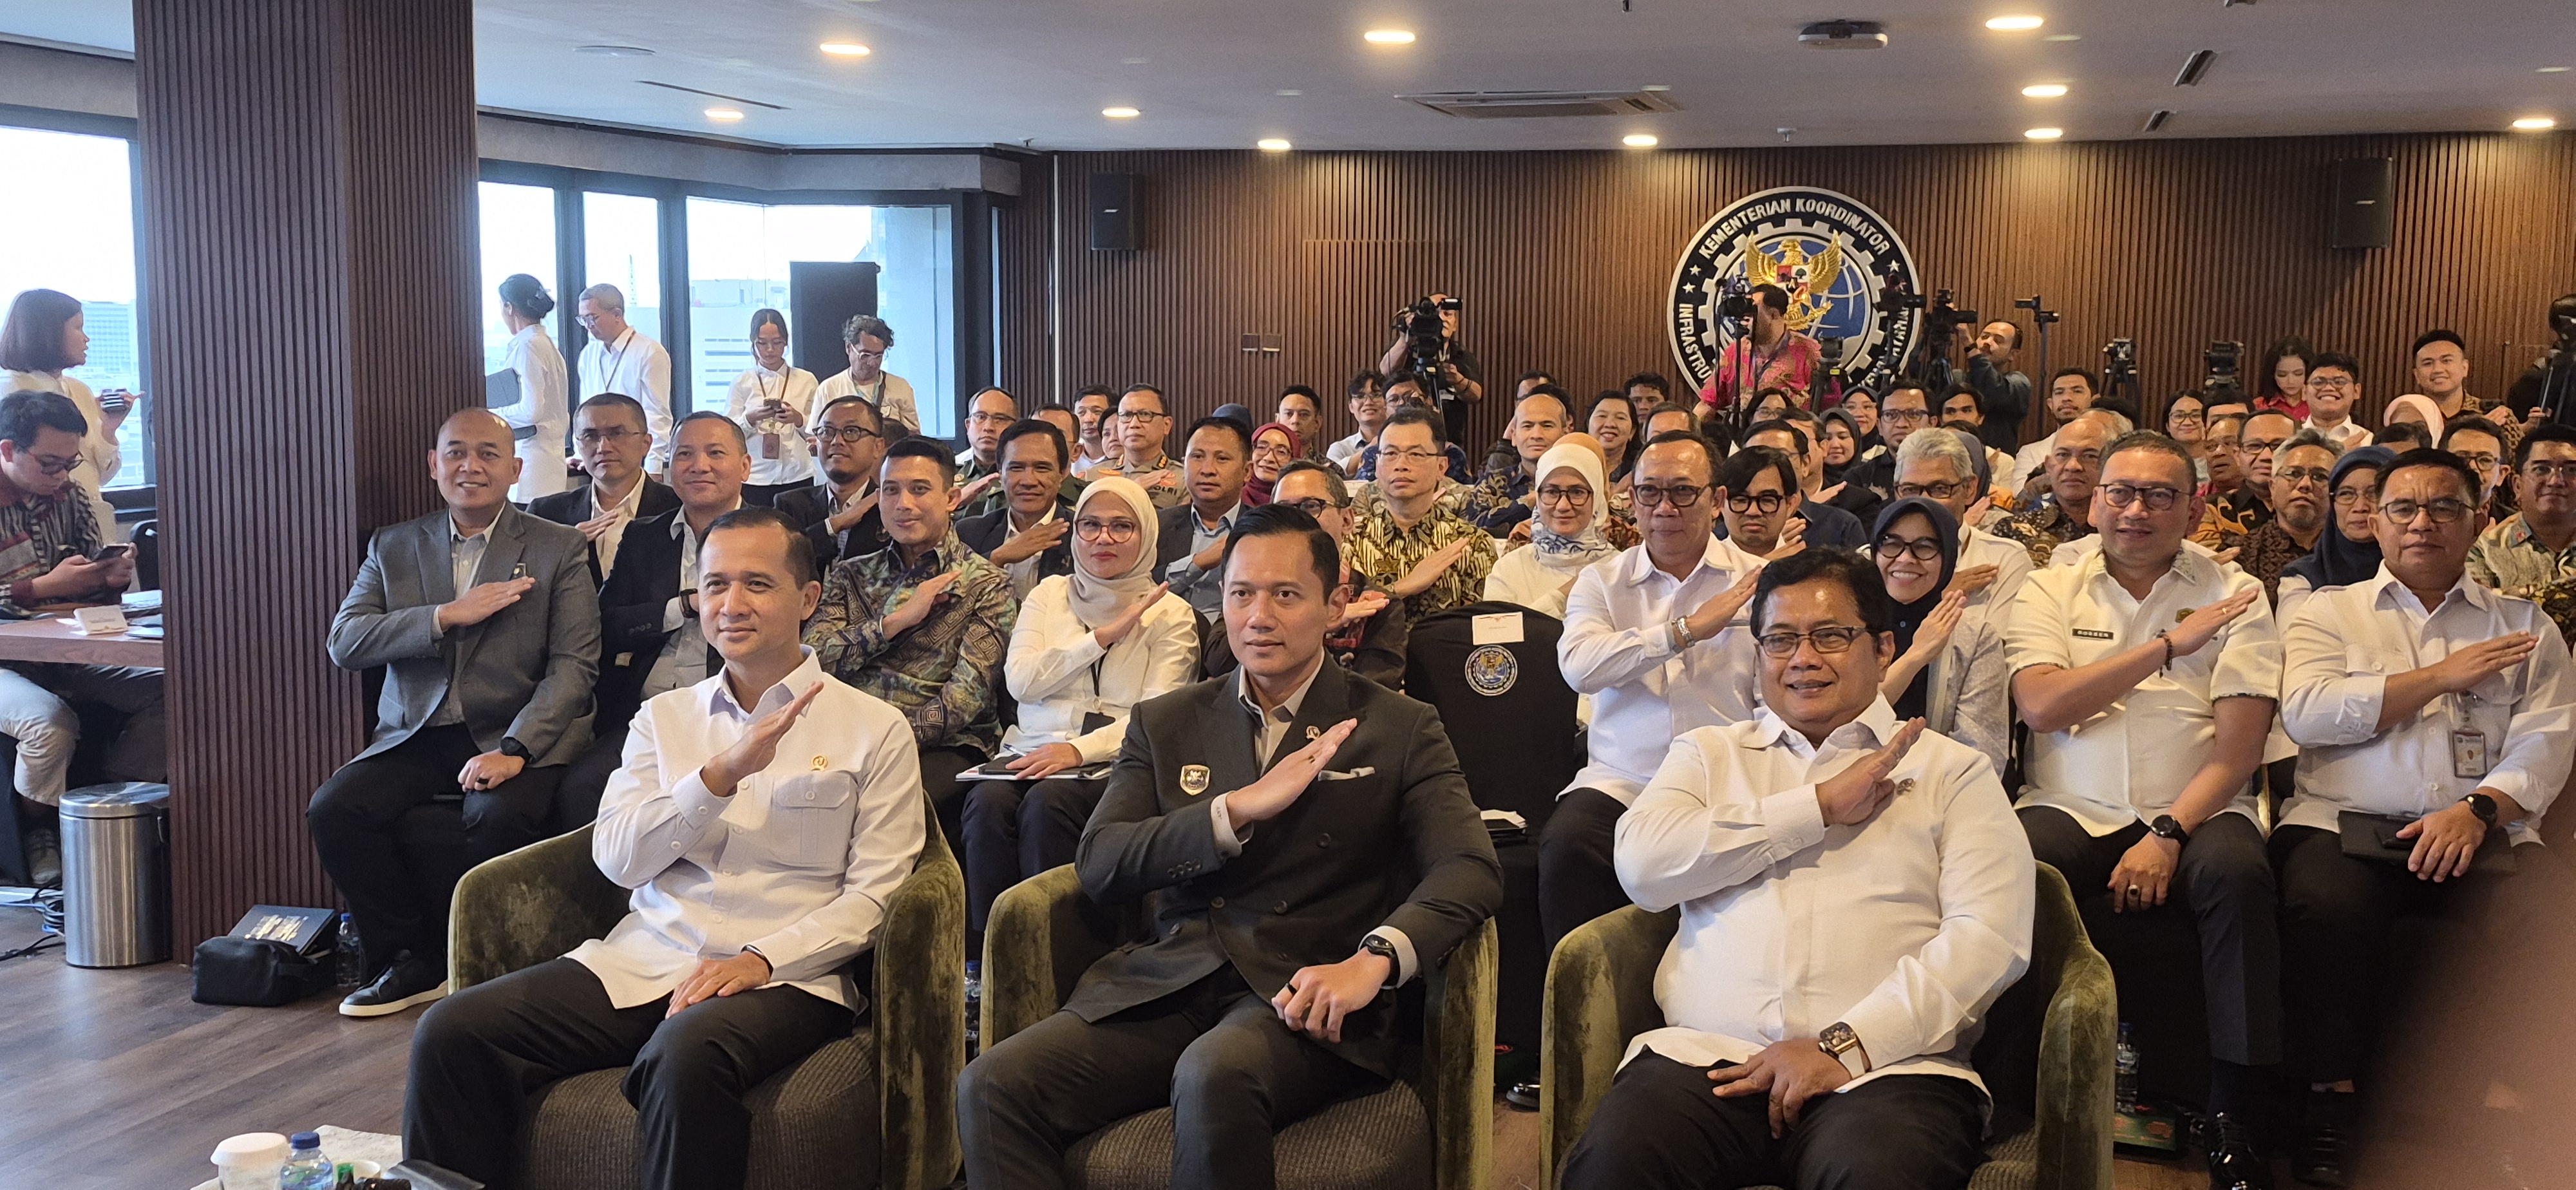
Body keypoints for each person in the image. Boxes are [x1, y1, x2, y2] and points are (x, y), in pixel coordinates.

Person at [956, 504, 1502, 1190]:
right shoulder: (1169, 720)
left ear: (1334, 606)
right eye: (1242, 593)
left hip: (1303, 991)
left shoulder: (1398, 725)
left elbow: (1469, 866)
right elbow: (1101, 862)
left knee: (1214, 1072)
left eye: (1285, 594)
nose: (1258, 616)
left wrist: (1375, 959)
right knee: (991, 1084)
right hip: (1169, 982)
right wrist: (1231, 811)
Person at [404, 507, 925, 1190]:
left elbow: (877, 894)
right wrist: (718, 777)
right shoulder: (665, 719)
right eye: (714, 585)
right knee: (451, 1031)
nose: (730, 605)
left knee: (686, 1056)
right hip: (647, 957)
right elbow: (619, 859)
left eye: (757, 585)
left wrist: (760, 960)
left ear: (807, 599)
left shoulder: (874, 728)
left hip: (787, 975)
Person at [1558, 549, 2034, 1190]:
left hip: (1884, 1072)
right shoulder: (1708, 754)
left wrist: (1847, 1046)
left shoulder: (1952, 771)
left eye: (1830, 636)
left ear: (1885, 646)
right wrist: (1814, 809)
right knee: (1614, 1167)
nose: (1802, 659)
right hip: (1705, 1063)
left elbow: (1988, 938)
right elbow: (1642, 867)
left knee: (1878, 1177)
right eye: (1779, 640)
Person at [2274, 448, 2575, 1187]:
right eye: (2402, 508)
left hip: (2480, 827)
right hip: (2341, 821)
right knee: (2324, 909)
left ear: (2477, 521)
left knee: (2550, 918)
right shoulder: (2326, 611)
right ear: (2374, 522)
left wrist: (2477, 809)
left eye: (2443, 507)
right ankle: (2329, 1104)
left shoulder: (2524, 623)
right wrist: (2442, 676)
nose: (2421, 523)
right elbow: (2308, 714)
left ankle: (2515, 1114)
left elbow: (2549, 737)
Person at [2006, 431, 2284, 1182]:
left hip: (2196, 806)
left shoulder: (2235, 596)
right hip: (2071, 801)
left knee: (2238, 878)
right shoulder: (2047, 587)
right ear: (2094, 500)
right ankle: (2009, 1092)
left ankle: (2236, 1112)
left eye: (2159, 495)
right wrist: (2167, 648)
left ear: (2192, 508)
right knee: (2019, 867)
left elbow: (2236, 751)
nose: (2136, 510)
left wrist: (2168, 832)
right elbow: (2041, 704)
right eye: (2120, 492)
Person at [312, 408, 599, 1017]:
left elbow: (574, 669)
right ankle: (410, 959)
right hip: (420, 732)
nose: (471, 466)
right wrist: (445, 616)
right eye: (456, 453)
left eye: (489, 454)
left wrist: (515, 750)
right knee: (335, 809)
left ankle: (494, 971)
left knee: (495, 817)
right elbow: (345, 642)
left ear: (515, 468)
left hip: (516, 733)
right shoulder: (393, 545)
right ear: (434, 466)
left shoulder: (558, 547)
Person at [1539, 431, 1767, 947]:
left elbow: (1772, 698)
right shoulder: (1602, 581)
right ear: (1632, 500)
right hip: (1625, 780)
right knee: (1566, 846)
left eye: (1683, 491)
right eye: (1649, 492)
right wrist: (1682, 633)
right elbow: (1578, 666)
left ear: (1718, 501)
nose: (1665, 507)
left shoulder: (1759, 582)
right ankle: (1570, 1016)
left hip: (1727, 783)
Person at [960, 477, 1198, 943]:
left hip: (1116, 761)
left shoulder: (1172, 614)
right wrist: (1099, 639)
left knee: (1049, 806)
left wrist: (1077, 752)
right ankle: (987, 959)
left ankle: (1054, 955)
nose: (1102, 539)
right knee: (986, 805)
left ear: (1146, 534)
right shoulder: (1049, 594)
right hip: (1033, 748)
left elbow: (1154, 718)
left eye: (1121, 527)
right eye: (1089, 525)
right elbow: (1022, 682)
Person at [807, 437, 1017, 851]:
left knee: (870, 806)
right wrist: (892, 624)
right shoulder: (850, 575)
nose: (903, 503)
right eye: (891, 490)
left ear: (952, 498)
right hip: (843, 738)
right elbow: (816, 660)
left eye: (920, 489)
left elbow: (964, 700)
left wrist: (879, 745)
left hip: (944, 746)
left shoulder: (986, 585)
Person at [556, 412, 749, 831]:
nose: (700, 466)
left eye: (715, 453)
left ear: (745, 466)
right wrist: (683, 606)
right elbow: (607, 625)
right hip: (647, 716)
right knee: (580, 792)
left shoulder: (770, 536)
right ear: (667, 467)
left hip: (736, 716)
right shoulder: (644, 535)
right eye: (685, 454)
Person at [0, 392, 160, 881]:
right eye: (50, 464)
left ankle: (110, 806)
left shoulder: (70, 495)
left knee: (174, 696)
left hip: (66, 652)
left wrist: (111, 575)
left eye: (70, 464)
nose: (63, 477)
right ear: (8, 450)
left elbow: (96, 564)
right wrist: (43, 588)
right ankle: (40, 829)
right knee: (50, 723)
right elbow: (52, 591)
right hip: (8, 662)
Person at [1238, 461, 1409, 688]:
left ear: (1347, 520)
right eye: (1284, 510)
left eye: (1311, 506)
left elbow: (1371, 696)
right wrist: (1321, 623)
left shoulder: (1379, 606)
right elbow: (1220, 660)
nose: (1296, 520)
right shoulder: (1250, 587)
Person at [1870, 499, 2008, 775]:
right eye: (1891, 543)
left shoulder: (1976, 636)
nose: (1906, 558)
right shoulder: (1846, 627)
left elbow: (1982, 754)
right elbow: (1834, 731)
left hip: (1940, 792)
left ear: (1948, 558)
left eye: (1924, 547)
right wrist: (1915, 657)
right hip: (1848, 786)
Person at [1342, 408, 1496, 621]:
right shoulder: (1349, 541)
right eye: (1390, 454)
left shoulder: (1472, 545)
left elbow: (1477, 633)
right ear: (1377, 466)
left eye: (1415, 454)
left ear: (1441, 467)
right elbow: (1338, 623)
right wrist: (1403, 587)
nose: (1401, 465)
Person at [0, 288, 127, 541]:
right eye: (78, 327)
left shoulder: (79, 390)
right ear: (49, 333)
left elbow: (97, 478)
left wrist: (108, 431)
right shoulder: (12, 396)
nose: (87, 338)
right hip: (39, 530)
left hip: (91, 524)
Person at [529, 393, 679, 583]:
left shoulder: (679, 509)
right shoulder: (546, 515)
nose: (603, 447)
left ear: (646, 444)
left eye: (616, 434)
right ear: (578, 445)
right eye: (590, 436)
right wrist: (564, 549)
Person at [1894, 426, 2032, 613]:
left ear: (1969, 489)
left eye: (1940, 489)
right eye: (1910, 489)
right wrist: (1941, 597)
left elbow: (1996, 642)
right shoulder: (1874, 559)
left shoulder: (2004, 559)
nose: (1923, 501)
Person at [1484, 439, 1622, 618]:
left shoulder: (1619, 570)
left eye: (1577, 492)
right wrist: (1562, 596)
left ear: (1596, 499)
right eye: (1552, 492)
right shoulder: (1510, 569)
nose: (1563, 505)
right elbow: (1497, 637)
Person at [2469, 424, 2576, 637]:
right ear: (2518, 485)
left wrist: (2509, 597)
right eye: (2541, 469)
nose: (2556, 481)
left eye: (2572, 470)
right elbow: (2478, 622)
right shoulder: (2485, 551)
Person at [2275, 446, 2395, 625]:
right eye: (2346, 494)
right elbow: (2294, 644)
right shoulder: (2304, 578)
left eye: (2374, 493)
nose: (2360, 506)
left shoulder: (2422, 573)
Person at [958, 419, 1077, 599]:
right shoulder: (970, 534)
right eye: (1016, 468)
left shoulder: (1082, 534)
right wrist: (997, 558)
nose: (1028, 481)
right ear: (1000, 472)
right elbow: (949, 601)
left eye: (1042, 468)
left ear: (1062, 474)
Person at [1154, 417, 1252, 621]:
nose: (1207, 469)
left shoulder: (1260, 531)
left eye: (1222, 459)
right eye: (1197, 457)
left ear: (1247, 471)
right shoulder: (1157, 525)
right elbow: (1140, 588)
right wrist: (1200, 562)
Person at [773, 395, 887, 569]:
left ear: (878, 447)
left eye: (851, 431)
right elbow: (780, 560)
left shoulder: (890, 507)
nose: (837, 441)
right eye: (827, 432)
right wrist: (836, 524)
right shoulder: (790, 505)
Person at [724, 308, 820, 507]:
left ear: (786, 342)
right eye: (762, 343)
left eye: (777, 343)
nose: (769, 349)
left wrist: (798, 419)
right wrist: (749, 419)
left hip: (797, 473)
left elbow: (820, 429)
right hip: (755, 476)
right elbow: (728, 434)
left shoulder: (806, 380)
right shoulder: (742, 382)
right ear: (753, 342)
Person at [2228, 429, 2338, 600]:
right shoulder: (2240, 555)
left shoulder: (2351, 554)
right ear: (2272, 487)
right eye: (2294, 474)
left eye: (2320, 476)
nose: (2305, 484)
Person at [576, 284, 675, 469]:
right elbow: (585, 411)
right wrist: (581, 452)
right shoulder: (588, 354)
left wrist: (654, 464)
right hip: (597, 457)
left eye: (593, 318)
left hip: (632, 455)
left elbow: (657, 414)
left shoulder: (649, 352)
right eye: (583, 320)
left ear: (617, 314)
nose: (589, 326)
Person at [492, 274, 571, 501]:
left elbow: (531, 411)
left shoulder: (529, 347)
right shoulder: (545, 345)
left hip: (531, 459)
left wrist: (489, 416)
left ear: (508, 307)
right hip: (547, 458)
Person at [1996, 417, 2109, 569]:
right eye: (2063, 455)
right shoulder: (2014, 529)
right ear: (2049, 466)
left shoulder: (2127, 530)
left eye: (2089, 456)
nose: (2073, 466)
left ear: (2110, 465)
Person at [1738, 420, 1869, 548]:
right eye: (1754, 458)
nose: (1767, 467)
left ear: (1805, 464)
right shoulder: (1731, 525)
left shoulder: (1841, 526)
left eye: (1781, 456)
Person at [1694, 284, 1823, 413]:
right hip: (1743, 431)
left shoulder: (1808, 352)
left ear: (1773, 314)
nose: (1744, 322)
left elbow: (1829, 408)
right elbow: (1708, 403)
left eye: (1750, 315)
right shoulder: (1736, 350)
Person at [1377, 290, 1487, 442]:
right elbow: (1385, 371)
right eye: (1435, 313)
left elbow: (1477, 394)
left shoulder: (1461, 356)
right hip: (1404, 438)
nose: (1441, 318)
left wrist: (1459, 381)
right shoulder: (1407, 351)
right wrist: (1405, 339)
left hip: (1449, 440)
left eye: (1447, 314)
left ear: (1455, 325)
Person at [1462, 388, 1573, 536]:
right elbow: (1472, 526)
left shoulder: (1579, 483)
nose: (1536, 435)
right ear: (1513, 436)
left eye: (1547, 426)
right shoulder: (1493, 482)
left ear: (1565, 434)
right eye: (1527, 426)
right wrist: (1530, 501)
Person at [2194, 409, 2291, 547]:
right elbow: (2210, 564)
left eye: (2278, 446)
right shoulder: (2210, 509)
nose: (2266, 456)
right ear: (2238, 455)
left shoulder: (2319, 506)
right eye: (2254, 446)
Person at [1356, 373, 1475, 484]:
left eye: (1409, 397)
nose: (1402, 404)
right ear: (1385, 408)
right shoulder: (1373, 454)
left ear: (1428, 401)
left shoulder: (1450, 454)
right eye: (1394, 399)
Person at [2412, 328, 2515, 455]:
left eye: (2446, 361)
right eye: (2428, 363)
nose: (2438, 369)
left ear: (2465, 368)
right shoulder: (2409, 419)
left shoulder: (2498, 415)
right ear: (2417, 375)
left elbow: (2520, 470)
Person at [813, 314, 918, 435]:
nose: (872, 363)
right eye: (865, 355)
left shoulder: (900, 387)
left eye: (878, 356)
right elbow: (817, 435)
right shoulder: (829, 388)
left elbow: (914, 435)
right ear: (849, 348)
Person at [2007, 367, 2100, 494]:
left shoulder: (2107, 447)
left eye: (2077, 391)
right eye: (2059, 392)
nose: (2066, 398)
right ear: (2051, 404)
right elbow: (2020, 497)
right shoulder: (2031, 452)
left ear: (2095, 401)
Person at [1094, 383, 1186, 508]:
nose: (1134, 424)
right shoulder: (1091, 475)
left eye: (1145, 414)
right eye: (1126, 415)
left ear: (1167, 425)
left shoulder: (1185, 478)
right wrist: (1131, 491)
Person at [1842, 381, 1936, 501]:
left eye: (1913, 414)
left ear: (1932, 423)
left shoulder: (1948, 474)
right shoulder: (1858, 479)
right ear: (1879, 426)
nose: (1901, 424)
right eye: (1891, 415)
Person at [1958, 318, 2035, 453]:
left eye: (1998, 341)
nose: (1987, 342)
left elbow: (1992, 389)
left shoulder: (2018, 383)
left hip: (1996, 468)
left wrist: (1970, 346)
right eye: (1985, 336)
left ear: (2013, 354)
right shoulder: (1957, 378)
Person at [954, 387, 1021, 518]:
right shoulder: (946, 471)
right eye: (980, 417)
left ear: (1015, 427)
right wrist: (954, 503)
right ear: (968, 425)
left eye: (1000, 419)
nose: (988, 427)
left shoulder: (1027, 473)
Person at [2302, 353, 2372, 451]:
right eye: (2318, 382)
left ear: (2356, 391)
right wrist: (2338, 453)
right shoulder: (2288, 435)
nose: (2329, 388)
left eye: (2339, 382)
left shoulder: (2368, 441)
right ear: (2304, 392)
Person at [2441, 415, 2510, 515]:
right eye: (2461, 458)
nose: (2473, 468)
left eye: (2485, 460)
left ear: (2501, 474)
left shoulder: (2513, 527)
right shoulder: (2420, 523)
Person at [1325, 372, 1388, 477]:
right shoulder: (1340, 449)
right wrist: (1373, 446)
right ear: (1351, 407)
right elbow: (1331, 477)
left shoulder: (1402, 444)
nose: (1368, 402)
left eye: (1376, 395)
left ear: (1388, 401)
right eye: (1360, 396)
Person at [2257, 335, 2316, 423]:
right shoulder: (2261, 406)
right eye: (2282, 375)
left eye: (2298, 374)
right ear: (2272, 375)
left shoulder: (2319, 403)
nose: (2290, 381)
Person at [1588, 390, 1643, 484]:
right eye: (1602, 416)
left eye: (1620, 418)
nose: (1610, 424)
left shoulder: (1641, 469)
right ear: (1587, 424)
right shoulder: (1572, 463)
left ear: (1632, 431)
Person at [1242, 421, 1299, 507]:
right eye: (1261, 447)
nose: (1269, 458)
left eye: (1281, 452)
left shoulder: (1300, 503)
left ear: (1293, 460)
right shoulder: (1233, 500)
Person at [2164, 390, 2213, 482]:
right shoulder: (2159, 461)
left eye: (2196, 415)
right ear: (2167, 425)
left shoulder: (2218, 459)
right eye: (2179, 416)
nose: (2188, 422)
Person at [1273, 386, 1329, 464]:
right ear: (1277, 420)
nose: (1295, 420)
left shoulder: (1329, 469)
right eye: (1289, 414)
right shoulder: (1266, 465)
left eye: (1304, 415)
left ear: (1317, 423)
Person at [1070, 384, 1118, 476]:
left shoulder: (1126, 456)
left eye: (1097, 412)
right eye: (1081, 413)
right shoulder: (1069, 455)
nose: (1088, 419)